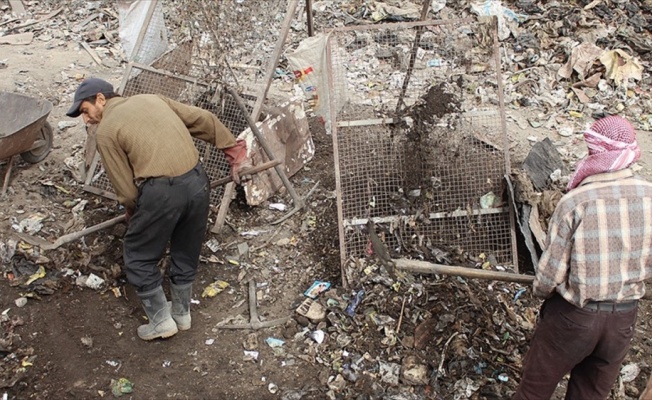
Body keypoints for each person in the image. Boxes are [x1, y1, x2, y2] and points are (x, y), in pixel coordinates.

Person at [66, 77, 252, 341]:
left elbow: (127, 191)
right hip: (198, 182)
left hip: (162, 192)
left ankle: (161, 321)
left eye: (85, 111)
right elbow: (203, 120)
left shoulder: (106, 131)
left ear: (100, 99)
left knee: (139, 255)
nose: (86, 119)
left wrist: (135, 214)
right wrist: (233, 151)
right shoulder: (152, 99)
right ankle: (182, 315)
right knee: (186, 247)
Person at [513, 115, 652, 399]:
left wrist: (540, 293)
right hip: (623, 320)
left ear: (594, 151)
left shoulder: (576, 202)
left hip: (573, 318)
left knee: (534, 392)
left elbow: (550, 275)